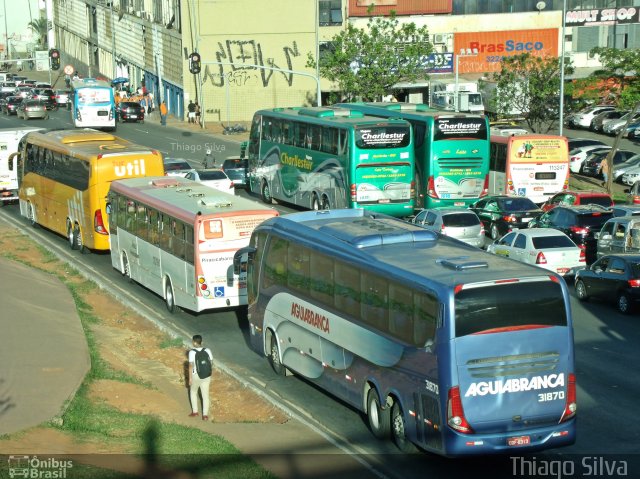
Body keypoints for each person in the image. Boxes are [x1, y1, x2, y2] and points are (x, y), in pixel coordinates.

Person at [187, 335, 213, 421]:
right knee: (205, 395)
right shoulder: (207, 350)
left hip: (196, 375)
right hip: (207, 375)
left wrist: (190, 378)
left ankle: (195, 412)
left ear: (194, 342)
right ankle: (205, 415)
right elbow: (211, 362)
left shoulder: (192, 352)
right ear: (201, 342)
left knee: (193, 392)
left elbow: (191, 365)